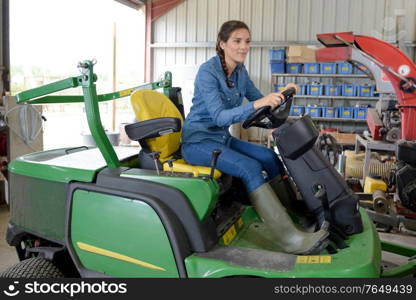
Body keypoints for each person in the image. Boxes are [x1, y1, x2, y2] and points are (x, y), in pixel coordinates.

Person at [181, 20, 328, 254]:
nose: (244, 47)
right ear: (222, 44)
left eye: (247, 41)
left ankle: (294, 215)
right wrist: (260, 102)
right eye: (237, 41)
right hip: (199, 142)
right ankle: (290, 240)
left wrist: (281, 96)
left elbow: (259, 99)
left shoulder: (240, 71)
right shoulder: (208, 72)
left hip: (222, 140)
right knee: (249, 167)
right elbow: (220, 117)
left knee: (268, 157)